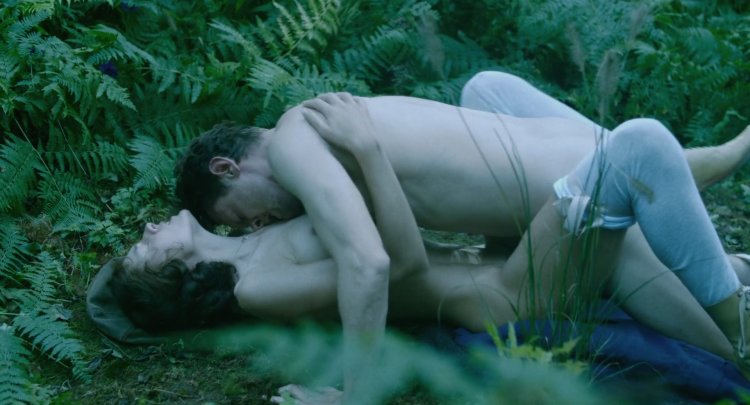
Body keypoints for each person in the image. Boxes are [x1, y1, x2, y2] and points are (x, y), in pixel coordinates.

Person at [116, 94, 750, 400]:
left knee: (708, 327)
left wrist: (371, 155)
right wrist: (353, 396)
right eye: (139, 253)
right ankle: (733, 300)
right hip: (508, 293)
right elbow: (389, 266)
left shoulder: (265, 235)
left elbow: (391, 247)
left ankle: (733, 307)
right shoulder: (253, 287)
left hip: (506, 259)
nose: (144, 233)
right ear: (168, 274)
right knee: (636, 146)